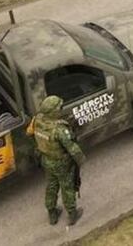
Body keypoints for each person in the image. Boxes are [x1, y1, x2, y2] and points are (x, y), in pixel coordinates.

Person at [27, 95, 85, 226]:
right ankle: (72, 214)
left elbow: (29, 133)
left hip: (46, 160)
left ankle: (52, 214)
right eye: (59, 108)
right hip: (62, 163)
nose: (61, 109)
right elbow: (72, 148)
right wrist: (80, 160)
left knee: (51, 186)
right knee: (67, 187)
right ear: (53, 111)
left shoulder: (37, 120)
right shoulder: (59, 129)